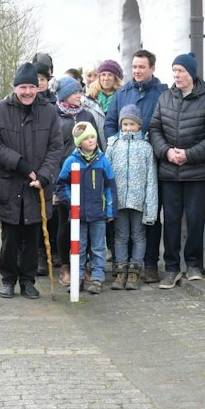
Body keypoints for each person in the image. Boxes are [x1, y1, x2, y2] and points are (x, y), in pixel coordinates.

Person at [0, 62, 69, 300]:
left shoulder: (48, 111)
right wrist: (20, 165)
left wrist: (44, 175)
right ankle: (8, 279)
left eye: (32, 87)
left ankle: (28, 280)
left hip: (37, 187)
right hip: (9, 183)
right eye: (23, 87)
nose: (28, 92)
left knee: (34, 236)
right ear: (15, 88)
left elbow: (56, 147)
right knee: (10, 236)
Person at [151, 52, 205, 287]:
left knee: (195, 221)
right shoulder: (165, 98)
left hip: (198, 174)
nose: (176, 75)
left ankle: (193, 264)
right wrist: (167, 152)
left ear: (191, 73)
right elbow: (154, 129)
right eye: (174, 70)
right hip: (169, 173)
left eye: (181, 70)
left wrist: (189, 155)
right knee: (170, 221)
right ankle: (171, 268)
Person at [116, 49, 166, 283]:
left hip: (152, 158)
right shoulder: (122, 92)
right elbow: (109, 122)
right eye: (134, 67)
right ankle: (122, 265)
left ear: (152, 68)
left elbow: (164, 125)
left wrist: (153, 147)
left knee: (150, 216)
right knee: (123, 227)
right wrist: (116, 143)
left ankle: (149, 264)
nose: (137, 71)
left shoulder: (162, 93)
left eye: (141, 67)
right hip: (124, 165)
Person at [104, 106, 157, 290]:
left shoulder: (146, 148)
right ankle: (120, 272)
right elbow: (106, 175)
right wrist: (107, 202)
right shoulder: (113, 146)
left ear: (139, 125)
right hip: (118, 202)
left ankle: (134, 272)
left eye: (132, 124)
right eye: (125, 124)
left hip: (138, 201)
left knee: (139, 236)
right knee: (120, 236)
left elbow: (151, 180)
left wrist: (151, 207)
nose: (128, 128)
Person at [58, 121, 114, 294]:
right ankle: (78, 277)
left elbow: (110, 187)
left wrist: (110, 210)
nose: (91, 140)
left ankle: (97, 278)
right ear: (79, 142)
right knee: (78, 247)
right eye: (86, 138)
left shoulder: (103, 161)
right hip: (78, 215)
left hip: (98, 213)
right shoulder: (71, 161)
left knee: (98, 248)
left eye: (93, 137)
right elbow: (61, 185)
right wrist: (71, 202)